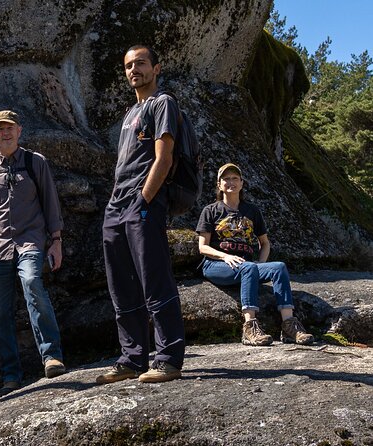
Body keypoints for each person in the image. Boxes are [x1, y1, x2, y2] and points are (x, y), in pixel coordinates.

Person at [96, 45, 185, 385]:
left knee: (154, 279)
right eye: (129, 65)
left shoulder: (162, 103)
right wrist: (116, 203)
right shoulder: (130, 113)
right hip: (116, 206)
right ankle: (132, 357)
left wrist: (145, 199)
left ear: (156, 68)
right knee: (121, 285)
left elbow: (163, 158)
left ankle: (168, 358)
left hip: (142, 203)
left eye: (141, 63)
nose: (135, 70)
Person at [0, 110, 66, 394]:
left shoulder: (36, 163)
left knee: (33, 284)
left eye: (10, 128)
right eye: (0, 129)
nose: (5, 133)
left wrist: (56, 240)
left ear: (19, 131)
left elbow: (51, 204)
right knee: (0, 313)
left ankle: (51, 356)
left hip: (31, 242)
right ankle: (11, 374)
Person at [196, 163, 314, 346]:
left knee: (279, 267)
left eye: (235, 178)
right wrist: (225, 256)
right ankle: (249, 327)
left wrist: (261, 262)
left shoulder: (252, 211)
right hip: (216, 265)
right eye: (226, 179)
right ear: (219, 185)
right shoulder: (210, 211)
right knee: (249, 267)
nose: (231, 182)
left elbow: (265, 243)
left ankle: (289, 326)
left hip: (246, 266)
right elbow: (202, 247)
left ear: (242, 183)